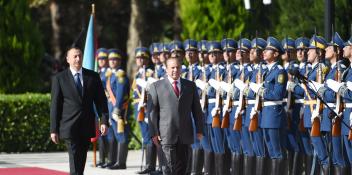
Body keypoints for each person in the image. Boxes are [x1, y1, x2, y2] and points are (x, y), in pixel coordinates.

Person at [50, 46, 109, 175]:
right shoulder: (60, 78)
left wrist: (104, 121)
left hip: (86, 126)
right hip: (69, 126)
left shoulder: (92, 76)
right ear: (68, 59)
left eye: (80, 56)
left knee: (81, 160)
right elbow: (55, 105)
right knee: (74, 159)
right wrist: (54, 129)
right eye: (75, 56)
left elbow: (101, 101)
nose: (78, 59)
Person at [148, 57, 204, 175]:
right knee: (169, 169)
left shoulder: (190, 86)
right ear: (166, 69)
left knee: (183, 169)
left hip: (185, 135)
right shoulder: (156, 86)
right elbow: (152, 113)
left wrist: (200, 130)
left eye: (178, 67)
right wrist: (154, 133)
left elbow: (197, 110)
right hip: (166, 135)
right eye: (172, 67)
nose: (175, 70)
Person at [249, 37, 287, 175]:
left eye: (268, 50)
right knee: (271, 152)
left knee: (276, 152)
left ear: (276, 54)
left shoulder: (279, 71)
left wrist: (260, 90)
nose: (264, 52)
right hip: (266, 113)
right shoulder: (268, 71)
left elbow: (278, 94)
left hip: (274, 113)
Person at [105, 48, 130, 170]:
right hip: (111, 109)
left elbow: (120, 94)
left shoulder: (120, 74)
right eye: (110, 59)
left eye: (115, 59)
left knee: (121, 135)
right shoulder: (110, 75)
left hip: (118, 110)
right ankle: (114, 161)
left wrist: (117, 109)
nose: (112, 61)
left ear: (119, 61)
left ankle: (121, 163)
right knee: (113, 135)